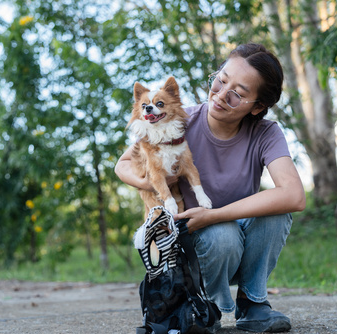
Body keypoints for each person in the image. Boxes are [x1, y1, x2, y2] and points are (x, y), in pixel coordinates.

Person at [115, 43, 306, 333]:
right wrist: (152, 182)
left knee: (274, 212)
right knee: (222, 234)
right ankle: (206, 308)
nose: (219, 95)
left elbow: (294, 195)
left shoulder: (266, 133)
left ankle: (253, 304)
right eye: (220, 79)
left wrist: (216, 214)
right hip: (194, 246)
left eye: (237, 94)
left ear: (257, 107)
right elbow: (122, 165)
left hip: (235, 239)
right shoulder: (176, 120)